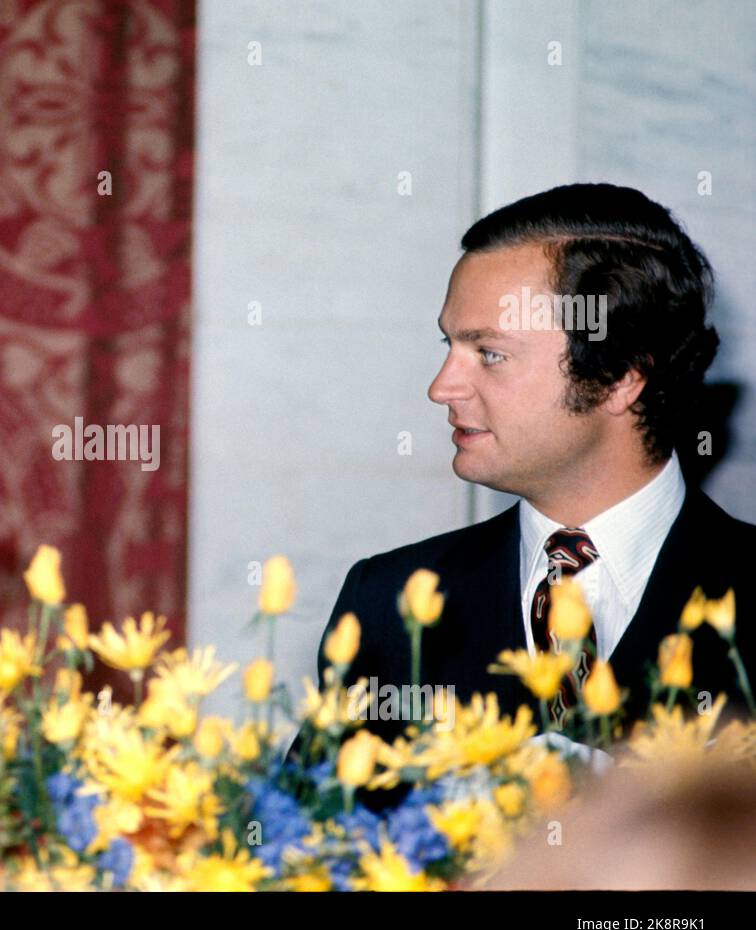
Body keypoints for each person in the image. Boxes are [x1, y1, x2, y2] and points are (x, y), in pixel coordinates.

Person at [290, 184, 756, 753]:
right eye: (450, 346)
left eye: (489, 353)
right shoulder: (388, 600)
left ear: (620, 377)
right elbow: (318, 831)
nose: (441, 388)